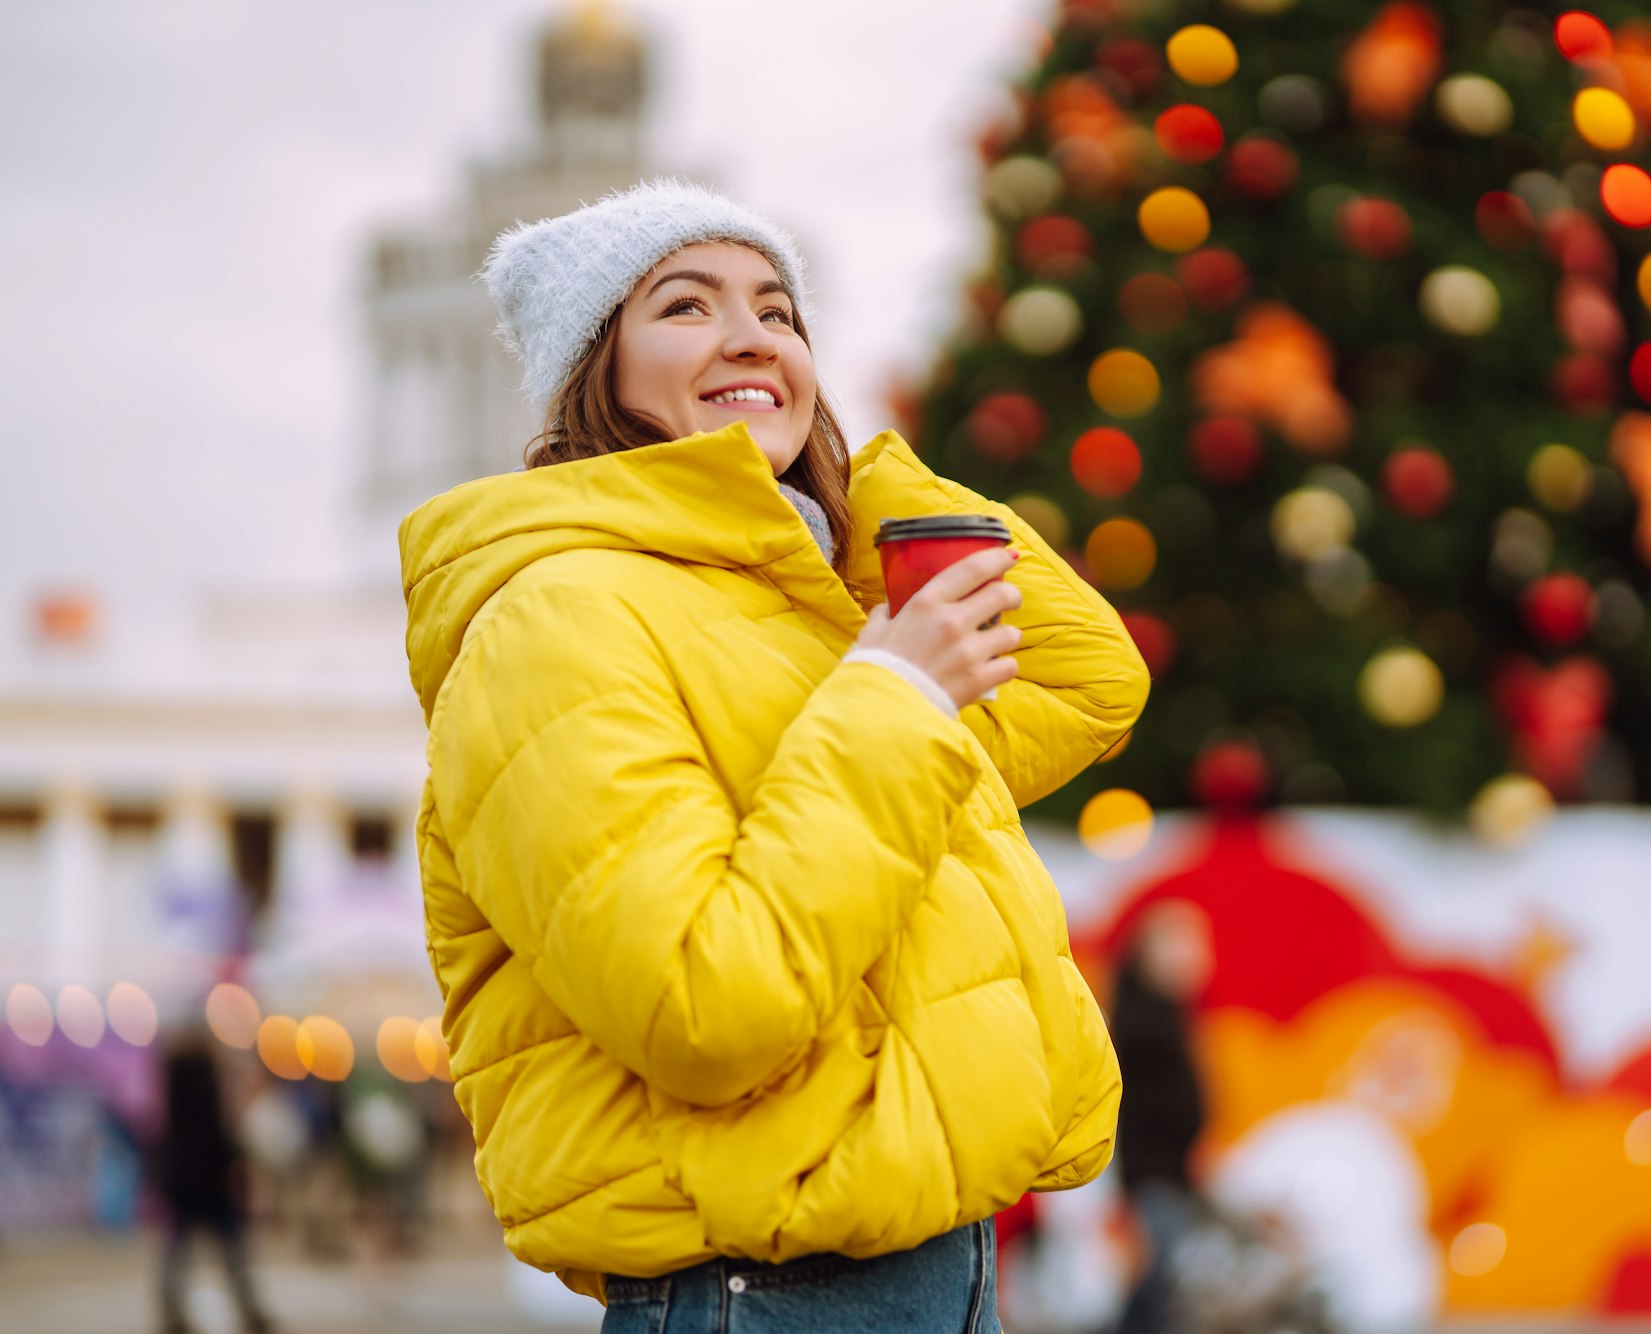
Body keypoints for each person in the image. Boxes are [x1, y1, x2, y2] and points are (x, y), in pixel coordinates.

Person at [398, 179, 1149, 1332]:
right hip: (763, 1290)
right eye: (685, 307)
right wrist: (896, 693)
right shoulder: (553, 620)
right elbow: (702, 1001)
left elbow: (1087, 681)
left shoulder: (802, 615)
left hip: (932, 1265)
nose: (750, 334)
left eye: (779, 314)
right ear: (594, 372)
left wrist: (863, 493)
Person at [1109, 901, 1213, 1334]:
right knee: (1155, 1281)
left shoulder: (1167, 1013)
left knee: (1165, 1280)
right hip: (1150, 1172)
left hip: (1170, 1171)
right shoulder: (1141, 1018)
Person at [154, 1031, 273, 1334]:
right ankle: (249, 1310)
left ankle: (172, 1312)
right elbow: (220, 1135)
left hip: (183, 1180)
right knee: (230, 1251)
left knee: (178, 1250)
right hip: (210, 1182)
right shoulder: (203, 1084)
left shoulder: (174, 1091)